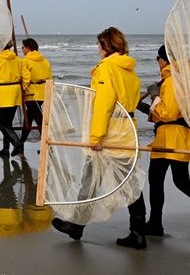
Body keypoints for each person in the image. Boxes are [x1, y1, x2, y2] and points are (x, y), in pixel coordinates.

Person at [51, 27, 147, 249]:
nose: (97, 49)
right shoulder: (129, 69)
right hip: (127, 131)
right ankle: (133, 229)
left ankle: (133, 232)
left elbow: (103, 105)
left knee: (117, 181)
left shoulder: (107, 69)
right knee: (124, 180)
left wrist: (96, 136)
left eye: (99, 44)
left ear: (106, 46)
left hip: (111, 134)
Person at [136, 45, 190, 236]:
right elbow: (160, 114)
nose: (157, 63)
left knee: (180, 181)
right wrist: (142, 106)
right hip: (168, 137)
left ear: (164, 59)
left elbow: (168, 113)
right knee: (159, 180)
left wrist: (154, 95)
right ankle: (155, 224)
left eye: (157, 59)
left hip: (172, 138)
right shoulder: (173, 79)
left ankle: (156, 224)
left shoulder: (174, 80)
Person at [19, 38, 52, 144]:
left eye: (22, 47)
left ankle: (47, 144)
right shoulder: (45, 61)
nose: (22, 49)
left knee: (39, 120)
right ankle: (20, 144)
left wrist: (22, 90)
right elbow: (50, 78)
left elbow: (26, 79)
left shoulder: (25, 61)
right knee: (29, 118)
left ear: (28, 48)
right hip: (43, 92)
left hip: (31, 93)